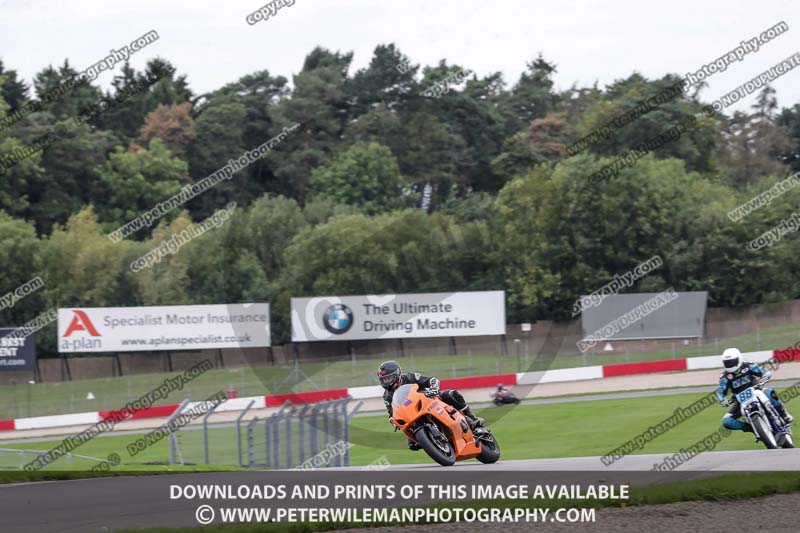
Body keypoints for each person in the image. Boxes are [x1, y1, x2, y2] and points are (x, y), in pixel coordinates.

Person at [378, 360, 485, 451]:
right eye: (384, 379)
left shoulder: (410, 377)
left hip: (430, 400)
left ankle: (472, 419)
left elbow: (431, 380)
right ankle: (433, 442)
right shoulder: (387, 396)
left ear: (397, 375)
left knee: (451, 394)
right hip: (412, 414)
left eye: (388, 378)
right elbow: (392, 413)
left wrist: (434, 388)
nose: (386, 382)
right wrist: (393, 421)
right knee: (412, 445)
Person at [717, 348, 793, 433]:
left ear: (739, 359)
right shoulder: (724, 377)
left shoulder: (749, 365)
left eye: (732, 362)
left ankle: (784, 414)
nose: (729, 364)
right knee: (726, 421)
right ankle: (751, 428)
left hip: (757, 391)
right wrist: (722, 400)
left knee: (770, 393)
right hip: (740, 400)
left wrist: (765, 377)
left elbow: (765, 372)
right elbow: (720, 391)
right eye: (727, 363)